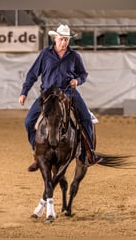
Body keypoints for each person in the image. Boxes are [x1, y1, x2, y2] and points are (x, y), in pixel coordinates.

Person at [18, 24, 101, 172]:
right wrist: (24, 92)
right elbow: (32, 74)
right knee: (28, 121)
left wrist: (77, 81)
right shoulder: (45, 54)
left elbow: (83, 74)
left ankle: (89, 153)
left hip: (68, 93)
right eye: (61, 39)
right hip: (48, 95)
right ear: (55, 38)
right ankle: (37, 153)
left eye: (66, 40)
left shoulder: (74, 56)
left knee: (86, 119)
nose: (64, 43)